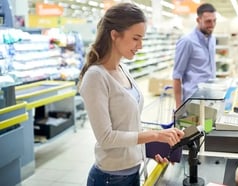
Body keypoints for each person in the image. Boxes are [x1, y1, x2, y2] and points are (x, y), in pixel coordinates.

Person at [78, 3, 184, 185]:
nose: (140, 46)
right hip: (110, 178)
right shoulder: (96, 77)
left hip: (133, 172)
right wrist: (156, 135)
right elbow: (106, 138)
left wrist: (150, 151)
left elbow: (129, 125)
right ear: (114, 35)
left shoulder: (123, 68)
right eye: (136, 38)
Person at [172, 3, 217, 108]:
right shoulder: (187, 41)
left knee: (209, 124)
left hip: (210, 97)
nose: (212, 25)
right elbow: (176, 76)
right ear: (198, 20)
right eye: (208, 21)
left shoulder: (212, 39)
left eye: (214, 21)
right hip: (193, 101)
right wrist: (179, 108)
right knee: (193, 125)